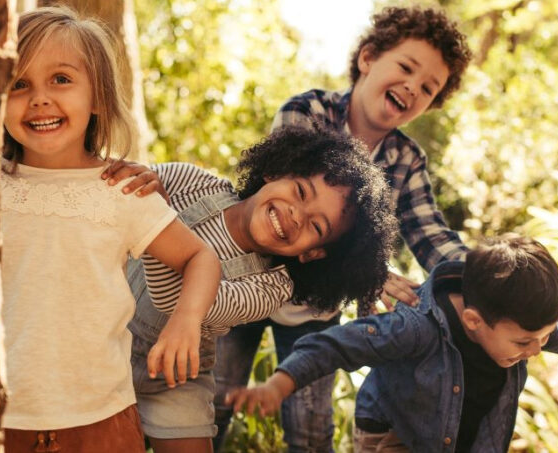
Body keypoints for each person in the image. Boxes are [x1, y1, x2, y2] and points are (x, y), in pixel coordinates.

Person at [211, 6, 475, 450]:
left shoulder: (405, 160)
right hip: (243, 283)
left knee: (312, 429)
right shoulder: (307, 111)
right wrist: (373, 275)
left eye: (428, 88)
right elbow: (280, 222)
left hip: (315, 308)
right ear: (368, 58)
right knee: (212, 403)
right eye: (406, 68)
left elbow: (430, 234)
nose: (413, 87)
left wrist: (482, 277)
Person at [225, 235, 558, 452]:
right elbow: (339, 344)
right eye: (525, 342)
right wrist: (280, 382)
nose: (537, 350)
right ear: (473, 320)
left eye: (543, 338)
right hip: (396, 438)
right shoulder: (417, 329)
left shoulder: (521, 327)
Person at [0, 7, 221, 452]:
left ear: (97, 95)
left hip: (101, 421)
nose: (39, 98)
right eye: (19, 84)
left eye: (60, 79)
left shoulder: (121, 190)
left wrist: (186, 321)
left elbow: (201, 257)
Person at [126, 125, 397, 453]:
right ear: (274, 172)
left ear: (313, 253)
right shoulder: (192, 182)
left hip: (174, 380)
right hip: (103, 335)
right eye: (300, 191)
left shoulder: (270, 288)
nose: (297, 214)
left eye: (316, 226)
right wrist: (135, 182)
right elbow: (119, 190)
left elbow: (174, 300)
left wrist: (157, 218)